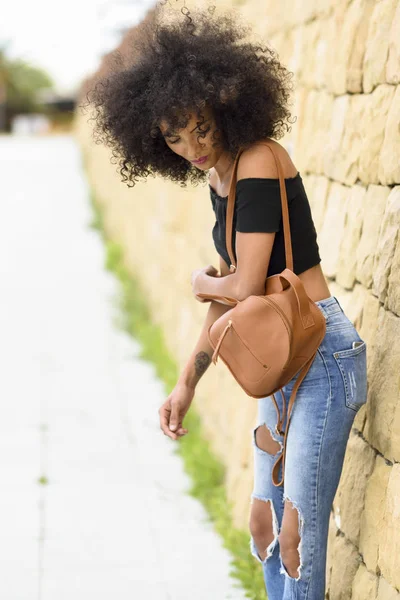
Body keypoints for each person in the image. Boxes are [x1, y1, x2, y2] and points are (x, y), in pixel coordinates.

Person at [84, 4, 368, 598]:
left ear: (224, 106)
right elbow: (234, 302)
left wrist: (199, 281)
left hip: (323, 357)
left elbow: (238, 286)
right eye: (175, 138)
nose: (193, 146)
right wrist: (187, 383)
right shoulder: (220, 180)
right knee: (264, 530)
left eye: (201, 128)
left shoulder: (260, 160)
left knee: (297, 539)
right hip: (280, 362)